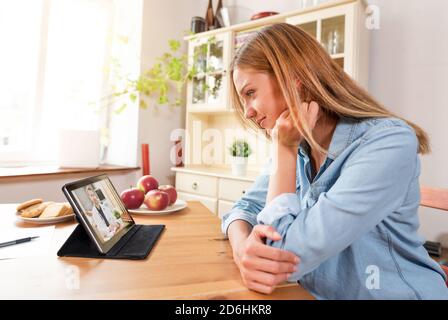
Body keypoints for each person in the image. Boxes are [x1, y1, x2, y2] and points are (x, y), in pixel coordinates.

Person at [222, 23, 448, 299]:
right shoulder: (300, 143)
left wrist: (284, 149)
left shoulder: (388, 143)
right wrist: (242, 248)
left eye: (250, 93)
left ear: (292, 79)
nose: (247, 113)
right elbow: (244, 207)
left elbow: (281, 255)